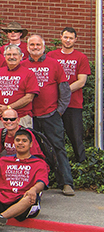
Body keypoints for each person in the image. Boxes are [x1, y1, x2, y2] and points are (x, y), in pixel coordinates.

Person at [24, 33, 74, 196]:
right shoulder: (23, 65)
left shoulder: (54, 64)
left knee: (58, 148)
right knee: (32, 151)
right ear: (27, 47)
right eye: (32, 45)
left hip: (50, 114)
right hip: (30, 116)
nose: (35, 48)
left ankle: (66, 182)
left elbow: (65, 90)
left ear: (43, 47)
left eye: (38, 45)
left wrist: (58, 111)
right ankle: (37, 183)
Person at [0, 128, 50, 230]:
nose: (20, 143)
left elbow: (41, 182)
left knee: (29, 198)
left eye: (24, 141)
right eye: (17, 140)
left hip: (20, 200)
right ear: (14, 143)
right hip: (1, 197)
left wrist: (33, 189)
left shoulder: (39, 163)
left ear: (31, 144)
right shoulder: (4, 160)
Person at [47, 26, 91, 163]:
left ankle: (81, 165)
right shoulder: (51, 56)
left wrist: (63, 92)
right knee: (52, 138)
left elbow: (81, 81)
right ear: (61, 37)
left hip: (73, 104)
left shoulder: (81, 57)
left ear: (75, 40)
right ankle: (53, 167)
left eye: (71, 38)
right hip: (53, 104)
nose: (68, 40)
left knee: (76, 137)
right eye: (65, 37)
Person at [0, 45, 39, 131]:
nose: (11, 57)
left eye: (14, 54)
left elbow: (29, 97)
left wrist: (8, 108)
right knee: (0, 142)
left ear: (21, 56)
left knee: (21, 143)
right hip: (0, 117)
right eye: (8, 54)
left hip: (21, 117)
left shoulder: (29, 73)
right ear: (4, 56)